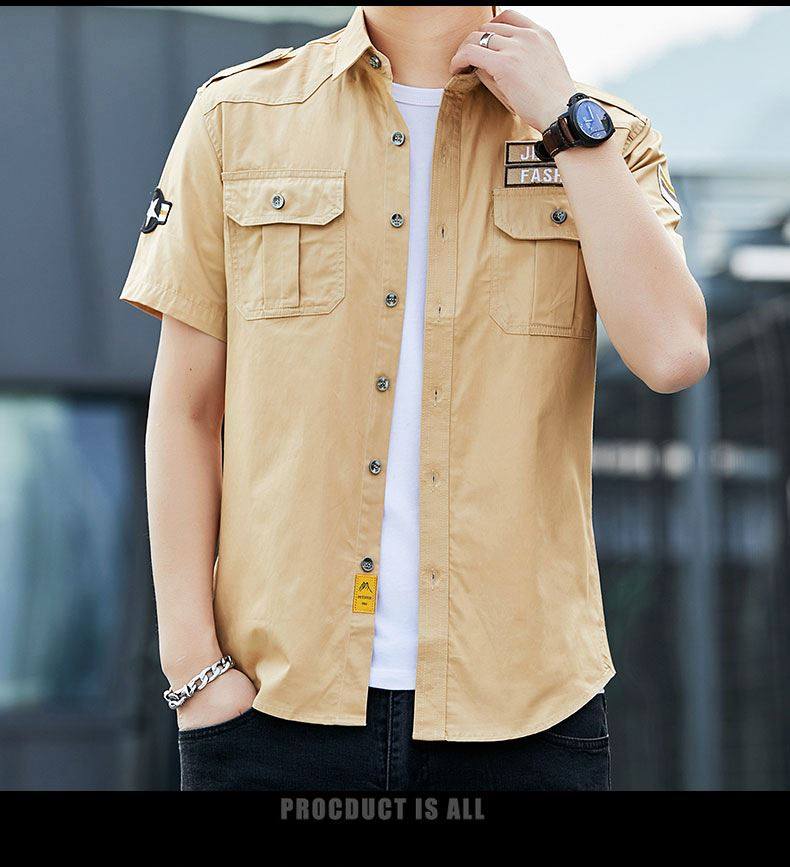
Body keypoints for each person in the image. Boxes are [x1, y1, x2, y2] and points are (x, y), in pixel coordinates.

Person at [120, 6, 709, 791]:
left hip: (528, 719)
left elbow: (673, 352)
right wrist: (193, 667)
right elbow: (186, 412)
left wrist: (565, 122)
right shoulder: (237, 117)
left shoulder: (604, 133)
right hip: (272, 713)